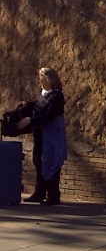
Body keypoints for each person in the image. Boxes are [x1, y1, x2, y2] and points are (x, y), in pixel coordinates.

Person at [17, 67, 68, 205]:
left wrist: (31, 120)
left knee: (50, 162)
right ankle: (39, 192)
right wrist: (27, 104)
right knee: (38, 161)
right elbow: (39, 104)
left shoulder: (57, 96)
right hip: (40, 134)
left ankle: (53, 195)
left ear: (49, 80)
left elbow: (49, 114)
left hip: (52, 136)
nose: (40, 81)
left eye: (42, 79)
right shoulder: (44, 94)